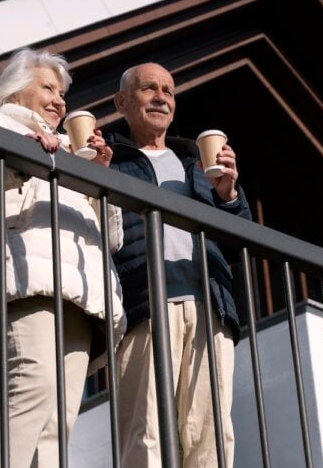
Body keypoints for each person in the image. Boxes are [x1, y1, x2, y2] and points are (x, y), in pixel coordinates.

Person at [0, 49, 126, 468]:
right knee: (32, 384)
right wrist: (24, 159)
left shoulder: (70, 147)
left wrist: (99, 176)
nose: (59, 101)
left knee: (58, 419)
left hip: (84, 291)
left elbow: (113, 236)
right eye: (48, 87)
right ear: (16, 88)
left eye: (62, 92)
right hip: (26, 275)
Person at [107, 62, 251, 468]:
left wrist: (227, 195)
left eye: (168, 91)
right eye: (149, 88)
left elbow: (239, 241)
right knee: (146, 430)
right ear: (122, 102)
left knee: (211, 435)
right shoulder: (110, 161)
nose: (161, 97)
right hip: (144, 305)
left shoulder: (198, 165)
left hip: (210, 306)